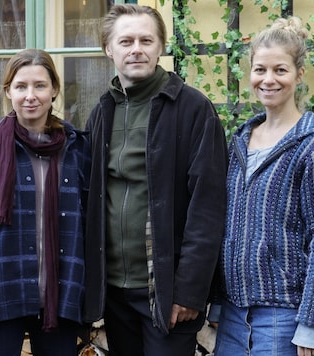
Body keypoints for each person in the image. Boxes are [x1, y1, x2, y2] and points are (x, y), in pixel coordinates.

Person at [82, 4, 228, 356]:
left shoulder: (193, 109)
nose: (136, 49)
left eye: (146, 40)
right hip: (115, 292)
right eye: (126, 41)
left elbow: (207, 207)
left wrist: (189, 292)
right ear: (109, 49)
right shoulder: (102, 112)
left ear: (160, 47)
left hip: (166, 293)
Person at [0, 48, 90, 356]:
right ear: (8, 91)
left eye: (40, 85)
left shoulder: (78, 149)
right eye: (21, 86)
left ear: (54, 90)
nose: (30, 95)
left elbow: (91, 229)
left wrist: (91, 297)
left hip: (61, 296)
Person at [211, 16, 314, 356]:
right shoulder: (239, 141)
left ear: (300, 75)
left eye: (280, 70)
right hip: (233, 318)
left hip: (285, 318)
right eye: (260, 69)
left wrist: (312, 324)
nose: (268, 80)